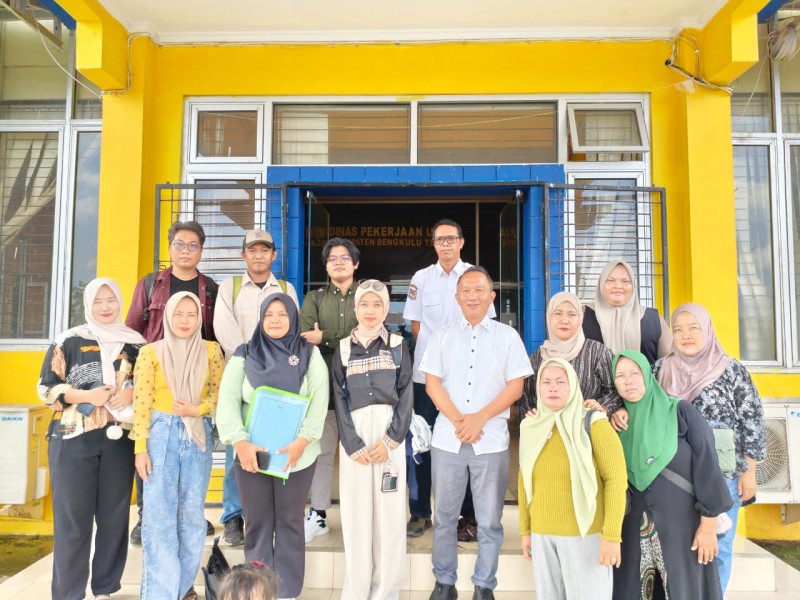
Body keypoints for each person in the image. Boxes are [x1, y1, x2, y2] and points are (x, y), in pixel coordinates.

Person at [420, 266, 532, 600]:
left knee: (490, 520)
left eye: (479, 290)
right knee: (443, 516)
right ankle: (444, 581)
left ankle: (484, 585)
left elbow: (516, 386)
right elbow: (432, 383)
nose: (472, 296)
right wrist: (460, 421)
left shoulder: (507, 336)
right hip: (447, 440)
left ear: (491, 296)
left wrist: (480, 419)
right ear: (456, 298)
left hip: (491, 441)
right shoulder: (442, 336)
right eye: (465, 290)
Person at [37, 278, 145, 600]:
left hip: (120, 442)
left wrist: (133, 392)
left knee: (114, 517)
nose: (106, 307)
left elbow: (154, 388)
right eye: (99, 301)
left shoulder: (136, 344)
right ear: (89, 304)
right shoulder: (69, 340)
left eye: (111, 299)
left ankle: (105, 588)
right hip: (73, 439)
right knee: (73, 519)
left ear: (121, 302)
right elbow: (46, 388)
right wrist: (87, 395)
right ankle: (69, 592)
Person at [217, 293, 328, 600]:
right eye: (269, 315)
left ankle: (288, 592)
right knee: (257, 521)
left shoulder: (309, 353)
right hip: (251, 455)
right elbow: (226, 402)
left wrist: (301, 442)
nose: (276, 320)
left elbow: (320, 399)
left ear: (293, 318)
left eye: (282, 314)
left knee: (290, 521)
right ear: (261, 318)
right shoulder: (245, 353)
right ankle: (258, 592)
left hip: (297, 456)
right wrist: (239, 442)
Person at [654, 303, 766, 594]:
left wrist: (749, 472)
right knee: (678, 544)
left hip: (723, 475)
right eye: (678, 329)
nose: (685, 335)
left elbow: (751, 420)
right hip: (673, 477)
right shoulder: (660, 369)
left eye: (693, 328)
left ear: (707, 330)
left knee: (719, 545)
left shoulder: (730, 370)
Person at [126, 219, 219, 544]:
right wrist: (129, 374)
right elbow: (132, 330)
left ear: (201, 251)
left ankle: (192, 514)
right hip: (157, 373)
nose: (186, 250)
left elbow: (215, 333)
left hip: (195, 376)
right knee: (153, 445)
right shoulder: (151, 283)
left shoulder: (210, 288)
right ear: (170, 248)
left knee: (193, 452)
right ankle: (145, 517)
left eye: (193, 245)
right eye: (180, 244)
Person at [612, 349, 733, 600]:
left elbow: (707, 464)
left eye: (634, 373)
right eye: (620, 375)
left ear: (647, 374)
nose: (628, 381)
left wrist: (708, 526)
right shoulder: (615, 423)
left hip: (683, 529)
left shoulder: (680, 412)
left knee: (684, 590)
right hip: (633, 529)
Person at [403, 219, 495, 540]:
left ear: (461, 242)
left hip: (466, 380)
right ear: (434, 244)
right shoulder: (421, 278)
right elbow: (416, 327)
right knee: (421, 443)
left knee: (466, 442)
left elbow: (486, 326)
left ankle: (466, 514)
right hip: (426, 377)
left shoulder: (475, 277)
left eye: (450, 239)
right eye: (439, 239)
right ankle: (419, 512)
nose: (445, 244)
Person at [132, 292, 224, 600]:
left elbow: (219, 396)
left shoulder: (211, 351)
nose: (184, 321)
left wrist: (196, 410)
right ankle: (160, 593)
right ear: (167, 317)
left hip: (197, 434)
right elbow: (141, 403)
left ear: (200, 318)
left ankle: (182, 588)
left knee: (192, 516)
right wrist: (140, 447)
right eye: (178, 314)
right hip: (160, 435)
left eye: (191, 314)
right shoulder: (150, 353)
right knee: (158, 517)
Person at [214, 228, 299, 547]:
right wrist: (251, 362)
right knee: (240, 444)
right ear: (243, 255)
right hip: (241, 376)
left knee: (274, 444)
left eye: (265, 250)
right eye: (252, 250)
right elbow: (223, 327)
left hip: (278, 382)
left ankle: (266, 515)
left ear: (274, 255)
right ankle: (233, 516)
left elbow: (291, 327)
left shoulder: (287, 288)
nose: (259, 255)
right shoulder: (230, 287)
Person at [518, 358, 627, 600]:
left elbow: (616, 480)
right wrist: (525, 530)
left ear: (574, 386)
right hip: (542, 534)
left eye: (560, 381)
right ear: (538, 388)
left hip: (586, 534)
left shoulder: (594, 423)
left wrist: (611, 535)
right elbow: (524, 480)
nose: (553, 387)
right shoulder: (531, 425)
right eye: (545, 382)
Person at [332, 280, 414, 599]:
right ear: (356, 308)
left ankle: (386, 591)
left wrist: (392, 439)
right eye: (364, 304)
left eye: (377, 304)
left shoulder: (396, 344)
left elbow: (406, 391)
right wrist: (352, 444)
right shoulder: (341, 348)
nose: (370, 310)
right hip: (355, 433)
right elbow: (338, 397)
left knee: (390, 516)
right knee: (356, 514)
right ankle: (356, 589)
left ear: (386, 309)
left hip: (388, 432)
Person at [299, 237, 359, 542]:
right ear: (326, 266)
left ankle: (358, 515)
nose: (338, 262)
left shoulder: (367, 294)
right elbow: (306, 335)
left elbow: (370, 333)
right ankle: (318, 514)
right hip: (324, 388)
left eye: (344, 257)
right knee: (322, 454)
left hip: (362, 390)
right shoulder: (315, 298)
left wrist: (327, 337)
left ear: (355, 264)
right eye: (332, 258)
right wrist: (341, 337)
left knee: (357, 453)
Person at [520, 291, 621, 416]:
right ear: (549, 318)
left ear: (580, 319)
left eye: (572, 315)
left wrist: (603, 406)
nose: (564, 320)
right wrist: (533, 415)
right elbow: (527, 398)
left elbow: (616, 389)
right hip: (550, 431)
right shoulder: (537, 358)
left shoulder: (597, 352)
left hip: (588, 429)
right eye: (557, 314)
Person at [582, 260, 671, 366]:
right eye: (610, 280)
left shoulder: (653, 319)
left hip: (644, 383)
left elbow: (669, 363)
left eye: (625, 281)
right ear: (601, 284)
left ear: (633, 285)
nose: (618, 286)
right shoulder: (582, 316)